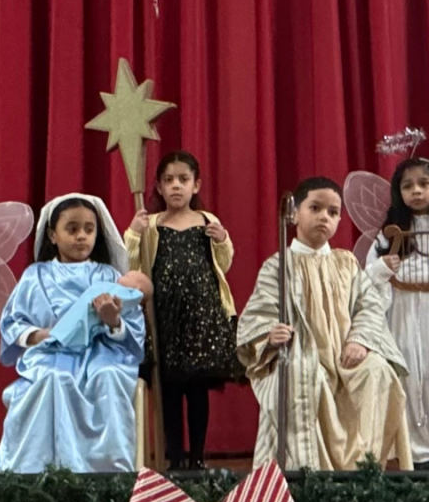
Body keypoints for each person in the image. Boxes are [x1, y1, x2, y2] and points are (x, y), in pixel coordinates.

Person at [238, 176, 412, 470]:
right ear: (294, 214)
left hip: (346, 356)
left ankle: (364, 469)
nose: (324, 217)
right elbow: (259, 314)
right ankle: (312, 474)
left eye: (332, 212)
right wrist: (270, 334)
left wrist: (360, 339)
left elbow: (367, 306)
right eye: (315, 208)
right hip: (304, 355)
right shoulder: (279, 265)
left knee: (380, 372)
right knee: (303, 376)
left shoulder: (345, 263)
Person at [0, 193, 150, 473]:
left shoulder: (107, 275)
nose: (82, 237)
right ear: (53, 235)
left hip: (100, 353)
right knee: (53, 379)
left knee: (110, 376)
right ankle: (41, 472)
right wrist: (41, 335)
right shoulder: (36, 275)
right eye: (72, 229)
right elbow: (12, 322)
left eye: (89, 230)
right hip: (51, 353)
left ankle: (108, 474)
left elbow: (133, 326)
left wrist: (113, 321)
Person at [125, 151, 241, 469]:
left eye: (183, 179)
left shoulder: (208, 220)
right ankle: (174, 456)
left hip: (201, 316)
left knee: (196, 388)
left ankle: (197, 456)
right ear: (160, 188)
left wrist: (222, 240)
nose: (176, 186)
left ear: (195, 185)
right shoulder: (150, 224)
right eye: (169, 180)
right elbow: (131, 264)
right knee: (168, 389)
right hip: (164, 315)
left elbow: (224, 264)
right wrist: (134, 232)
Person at [364, 157, 429, 469]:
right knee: (411, 376)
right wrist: (381, 268)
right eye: (408, 186)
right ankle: (413, 452)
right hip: (403, 311)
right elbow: (366, 280)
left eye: (424, 184)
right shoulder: (391, 233)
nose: (416, 191)